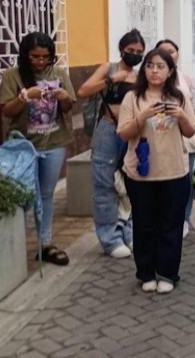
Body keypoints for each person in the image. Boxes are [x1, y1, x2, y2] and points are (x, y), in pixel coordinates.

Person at [117, 49, 195, 294]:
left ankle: (168, 273)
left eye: (161, 66)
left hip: (174, 171)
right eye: (150, 65)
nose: (154, 70)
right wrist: (142, 116)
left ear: (170, 71)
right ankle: (146, 273)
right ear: (144, 69)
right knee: (144, 224)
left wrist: (181, 115)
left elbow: (190, 131)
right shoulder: (132, 97)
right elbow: (124, 134)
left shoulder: (179, 96)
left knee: (171, 225)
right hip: (141, 173)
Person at [0, 32, 76, 266]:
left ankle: (45, 243)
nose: (41, 61)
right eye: (35, 56)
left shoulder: (59, 73)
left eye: (45, 57)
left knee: (46, 195)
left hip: (54, 143)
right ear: (25, 55)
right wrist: (25, 97)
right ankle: (16, 245)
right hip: (23, 147)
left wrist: (64, 97)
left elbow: (68, 107)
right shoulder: (12, 75)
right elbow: (7, 111)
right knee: (22, 194)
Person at [77, 29, 145, 258]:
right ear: (121, 50)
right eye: (131, 50)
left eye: (139, 52)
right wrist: (111, 80)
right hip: (108, 130)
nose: (135, 54)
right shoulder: (110, 68)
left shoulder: (141, 75)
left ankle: (130, 233)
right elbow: (83, 90)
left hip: (133, 132)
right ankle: (110, 238)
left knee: (132, 183)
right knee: (104, 184)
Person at [154, 39, 195, 239]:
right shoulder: (152, 80)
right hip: (160, 141)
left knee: (186, 183)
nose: (168, 55)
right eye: (163, 51)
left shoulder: (187, 80)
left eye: (172, 51)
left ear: (177, 54)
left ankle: (183, 219)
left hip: (186, 141)